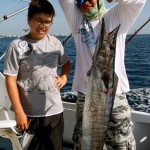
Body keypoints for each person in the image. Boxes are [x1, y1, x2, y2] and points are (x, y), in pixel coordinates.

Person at [59, 0, 146, 149]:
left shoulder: (116, 15)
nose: (85, 2)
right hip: (86, 96)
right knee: (84, 143)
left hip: (115, 95)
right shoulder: (77, 19)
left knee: (121, 144)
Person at [3, 0, 70, 149]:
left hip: (55, 112)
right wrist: (19, 111)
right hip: (29, 114)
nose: (43, 26)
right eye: (38, 20)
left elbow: (66, 62)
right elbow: (10, 80)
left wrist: (64, 77)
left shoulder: (55, 43)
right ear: (29, 19)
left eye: (47, 22)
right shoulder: (16, 46)